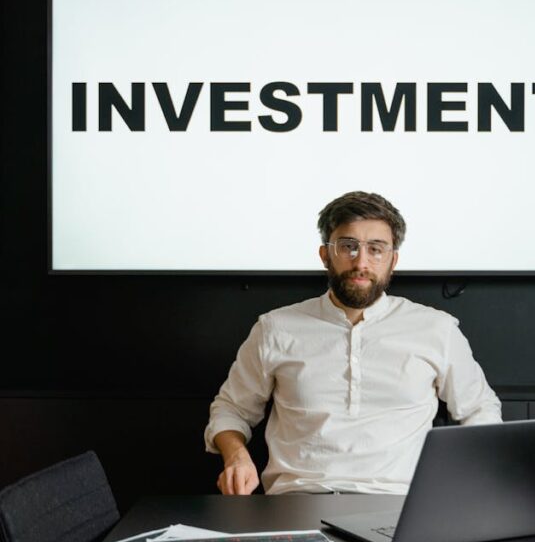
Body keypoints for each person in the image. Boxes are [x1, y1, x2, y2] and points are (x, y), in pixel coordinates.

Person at [205, 191, 502, 495]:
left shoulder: (436, 328)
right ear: (325, 255)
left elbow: (480, 409)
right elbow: (231, 410)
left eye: (376, 249)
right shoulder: (275, 328)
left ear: (393, 260)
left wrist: (468, 480)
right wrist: (236, 457)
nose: (361, 262)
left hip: (401, 504)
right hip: (298, 500)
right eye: (348, 246)